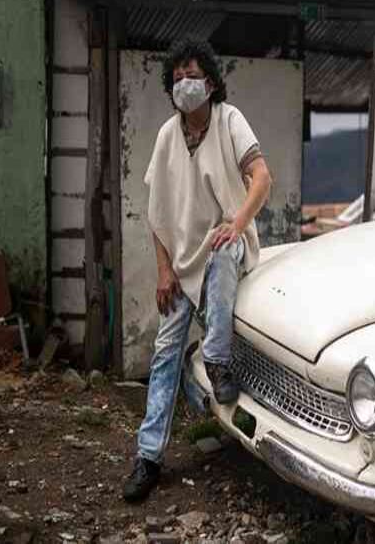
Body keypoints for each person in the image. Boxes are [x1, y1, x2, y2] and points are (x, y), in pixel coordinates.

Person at [122, 38, 272, 502]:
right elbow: (157, 215)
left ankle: (217, 360)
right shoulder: (168, 136)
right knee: (165, 354)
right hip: (181, 262)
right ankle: (148, 458)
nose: (185, 83)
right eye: (177, 78)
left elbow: (262, 177)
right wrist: (163, 271)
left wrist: (237, 223)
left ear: (210, 81)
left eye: (192, 75)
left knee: (224, 252)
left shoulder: (229, 120)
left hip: (226, 245)